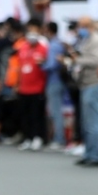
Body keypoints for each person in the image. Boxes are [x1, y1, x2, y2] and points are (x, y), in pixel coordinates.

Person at [72, 17, 98, 167]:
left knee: (93, 122)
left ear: (88, 26)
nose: (80, 29)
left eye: (81, 26)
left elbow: (97, 61)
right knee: (87, 122)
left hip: (94, 83)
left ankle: (96, 155)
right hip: (86, 84)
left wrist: (78, 59)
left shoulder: (96, 40)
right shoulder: (86, 40)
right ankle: (89, 153)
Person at [15, 19, 50, 151]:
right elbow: (19, 67)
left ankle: (37, 137)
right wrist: (17, 84)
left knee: (36, 115)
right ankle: (27, 138)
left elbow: (46, 66)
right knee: (25, 115)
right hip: (24, 87)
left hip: (37, 87)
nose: (32, 36)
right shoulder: (23, 47)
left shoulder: (43, 48)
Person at [42, 22, 70, 150]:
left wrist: (41, 64)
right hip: (59, 80)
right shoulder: (59, 43)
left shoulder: (53, 45)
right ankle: (59, 138)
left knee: (55, 111)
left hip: (54, 80)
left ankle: (59, 139)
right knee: (56, 110)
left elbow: (52, 64)